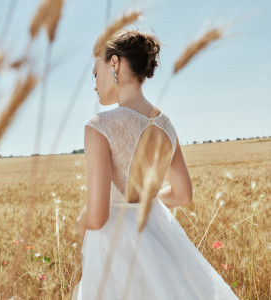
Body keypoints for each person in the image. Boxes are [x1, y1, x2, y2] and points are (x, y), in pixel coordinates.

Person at [72, 28, 239, 300]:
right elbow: (183, 194)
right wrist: (143, 203)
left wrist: (81, 220)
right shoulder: (167, 125)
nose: (94, 84)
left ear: (114, 63)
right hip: (159, 239)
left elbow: (98, 216)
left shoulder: (99, 126)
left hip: (113, 251)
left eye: (95, 73)